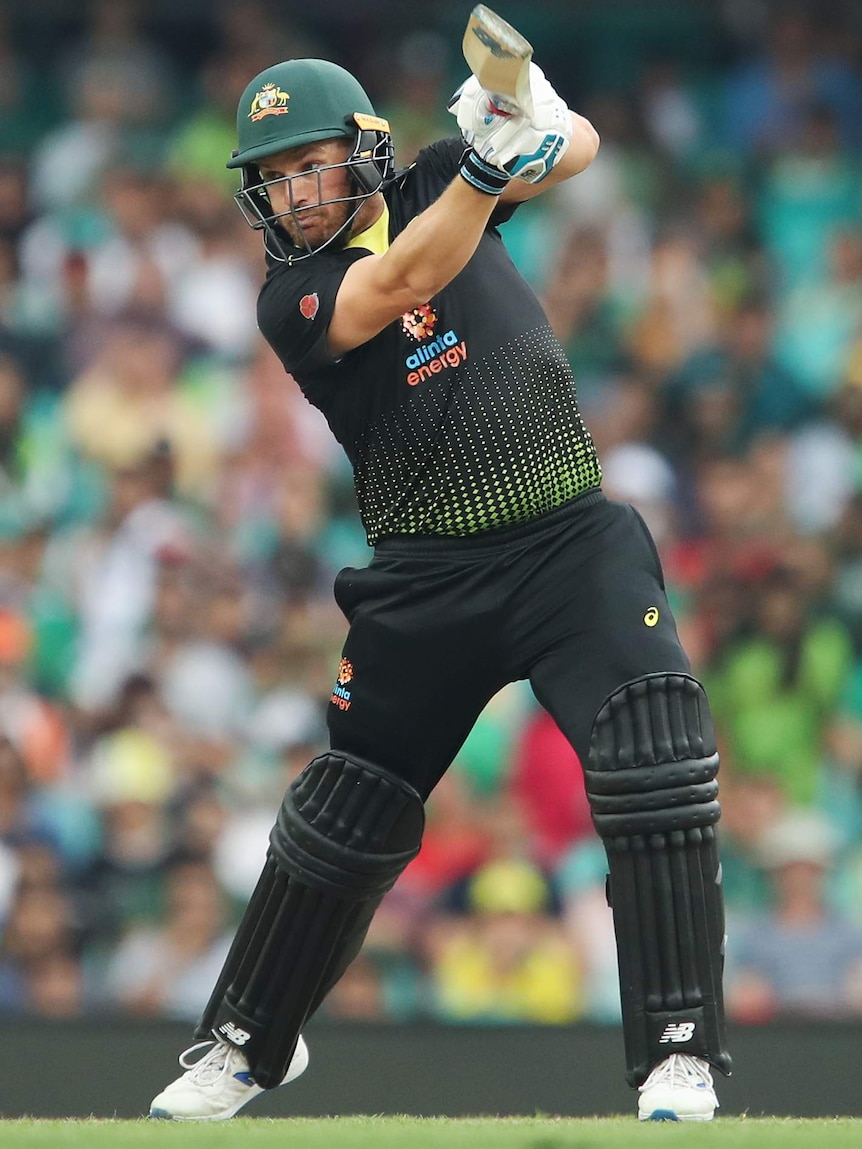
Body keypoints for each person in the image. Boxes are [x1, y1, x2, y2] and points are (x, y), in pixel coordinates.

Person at [149, 51, 731, 1123]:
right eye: (273, 179)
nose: (293, 195)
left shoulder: (429, 181)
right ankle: (246, 1046)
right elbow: (407, 279)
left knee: (655, 756)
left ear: (365, 155)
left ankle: (675, 1052)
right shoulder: (292, 297)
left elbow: (583, 148)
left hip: (568, 546)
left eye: (311, 167)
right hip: (426, 577)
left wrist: (526, 119)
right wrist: (485, 164)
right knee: (345, 810)